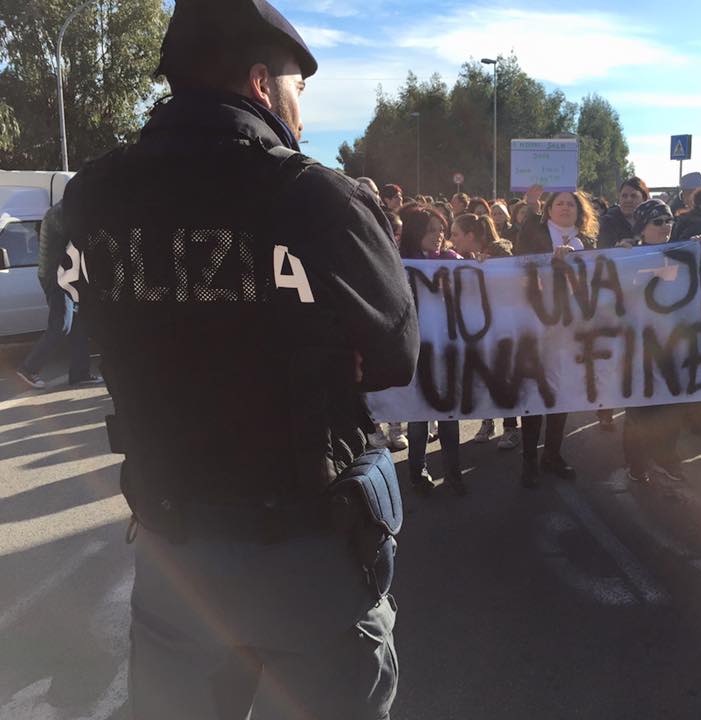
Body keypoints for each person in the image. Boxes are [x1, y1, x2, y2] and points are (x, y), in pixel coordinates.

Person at [57, 1, 419, 716]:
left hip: (175, 552)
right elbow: (392, 356)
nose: (301, 115)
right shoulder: (315, 197)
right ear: (261, 84)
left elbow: (89, 318)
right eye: (298, 89)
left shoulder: (90, 197)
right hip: (308, 555)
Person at [515, 185, 597, 487]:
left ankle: (552, 455)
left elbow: (597, 279)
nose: (565, 208)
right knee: (534, 394)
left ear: (579, 211)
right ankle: (529, 460)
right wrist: (531, 204)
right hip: (535, 324)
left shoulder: (587, 242)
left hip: (569, 329)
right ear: (549, 210)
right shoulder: (536, 234)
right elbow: (520, 260)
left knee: (560, 393)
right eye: (559, 203)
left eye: (571, 204)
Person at [617, 199, 688, 493]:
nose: (665, 226)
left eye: (669, 220)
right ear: (642, 227)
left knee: (670, 406)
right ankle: (636, 464)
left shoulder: (683, 253)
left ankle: (667, 458)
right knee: (639, 411)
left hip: (673, 344)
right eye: (657, 222)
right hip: (638, 346)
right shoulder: (628, 256)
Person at [398, 205, 466, 494]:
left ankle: (453, 473)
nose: (438, 236)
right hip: (416, 351)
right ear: (415, 232)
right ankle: (418, 472)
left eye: (441, 230)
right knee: (418, 420)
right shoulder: (399, 265)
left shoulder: (452, 261)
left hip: (446, 348)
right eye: (430, 231)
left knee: (449, 416)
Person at [448, 213, 520, 448]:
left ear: (470, 236)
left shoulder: (500, 255)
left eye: (455, 234)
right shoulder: (464, 258)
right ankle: (487, 421)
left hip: (502, 326)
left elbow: (512, 287)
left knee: (503, 374)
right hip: (478, 327)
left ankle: (510, 427)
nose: (451, 239)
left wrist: (490, 269)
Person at [16, 202, 102, 389]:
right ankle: (29, 368)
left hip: (66, 276)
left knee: (78, 324)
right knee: (62, 324)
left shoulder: (65, 210)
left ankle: (80, 373)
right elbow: (81, 239)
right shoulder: (62, 213)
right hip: (57, 277)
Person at [597, 176, 650, 249]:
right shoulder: (606, 223)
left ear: (644, 199)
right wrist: (617, 249)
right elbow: (602, 251)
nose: (628, 200)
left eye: (633, 196)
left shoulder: (654, 221)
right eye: (624, 196)